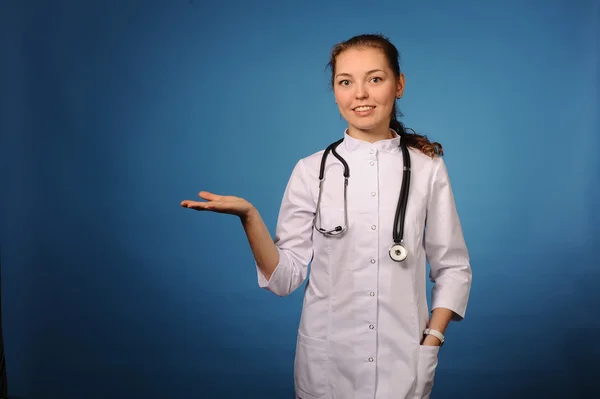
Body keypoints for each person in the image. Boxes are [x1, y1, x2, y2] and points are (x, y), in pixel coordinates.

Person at [181, 33, 472, 399]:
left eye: (375, 79)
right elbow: (285, 279)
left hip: (404, 359)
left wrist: (433, 337)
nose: (360, 94)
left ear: (398, 85)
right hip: (327, 363)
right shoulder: (310, 170)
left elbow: (452, 266)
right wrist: (250, 216)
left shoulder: (427, 168)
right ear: (335, 91)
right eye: (345, 82)